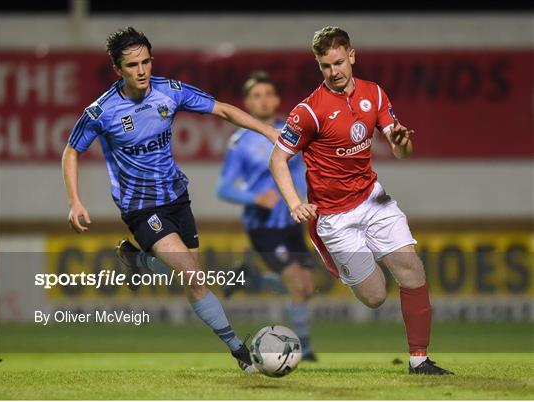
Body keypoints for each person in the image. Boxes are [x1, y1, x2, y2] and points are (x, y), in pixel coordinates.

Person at [62, 27, 278, 373]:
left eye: (146, 61)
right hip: (140, 206)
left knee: (194, 279)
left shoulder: (169, 91)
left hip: (177, 197)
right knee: (192, 274)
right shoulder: (101, 111)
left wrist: (268, 131)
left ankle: (139, 262)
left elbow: (221, 109)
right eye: (132, 65)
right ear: (118, 69)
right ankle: (239, 350)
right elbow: (71, 151)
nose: (142, 70)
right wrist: (75, 201)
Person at [269, 26, 453, 375]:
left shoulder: (375, 94)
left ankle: (419, 361)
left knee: (412, 271)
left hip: (373, 199)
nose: (334, 72)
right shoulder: (308, 111)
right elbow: (277, 159)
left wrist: (401, 142)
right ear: (318, 66)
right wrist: (295, 203)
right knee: (375, 297)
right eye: (325, 66)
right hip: (334, 216)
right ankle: (329, 251)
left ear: (352, 55)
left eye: (339, 62)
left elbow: (403, 152)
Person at [216, 71, 316, 361]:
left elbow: (301, 172)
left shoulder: (292, 131)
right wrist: (255, 197)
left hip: (292, 221)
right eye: (256, 96)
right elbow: (223, 188)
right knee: (297, 284)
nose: (263, 101)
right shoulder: (241, 142)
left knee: (308, 287)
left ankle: (252, 279)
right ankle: (305, 349)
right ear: (247, 102)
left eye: (268, 94)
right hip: (264, 225)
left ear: (277, 99)